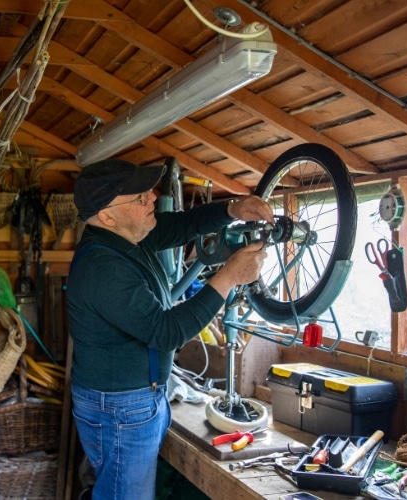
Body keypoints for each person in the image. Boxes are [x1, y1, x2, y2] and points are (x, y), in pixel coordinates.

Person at [67, 158, 273, 499]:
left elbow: (179, 226)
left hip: (137, 399)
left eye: (148, 191)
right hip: (121, 409)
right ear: (107, 215)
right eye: (140, 198)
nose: (152, 197)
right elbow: (167, 332)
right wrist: (229, 277)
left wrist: (233, 209)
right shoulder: (102, 268)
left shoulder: (128, 235)